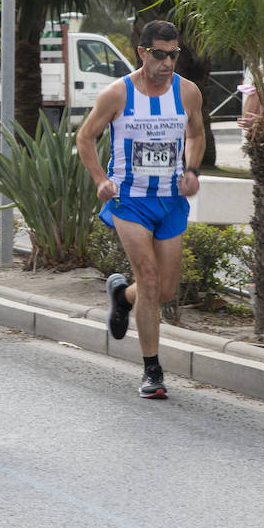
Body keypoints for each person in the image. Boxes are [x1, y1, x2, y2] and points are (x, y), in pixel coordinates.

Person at [76, 20, 205, 400]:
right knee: (148, 277)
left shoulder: (188, 92)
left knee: (164, 289)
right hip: (129, 200)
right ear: (143, 53)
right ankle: (153, 371)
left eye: (174, 55)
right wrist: (101, 179)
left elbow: (196, 134)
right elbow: (86, 137)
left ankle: (122, 296)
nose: (168, 63)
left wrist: (193, 169)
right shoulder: (118, 94)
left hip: (170, 200)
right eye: (160, 55)